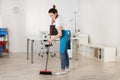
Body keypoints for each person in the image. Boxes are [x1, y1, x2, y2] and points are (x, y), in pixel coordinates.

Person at [48, 5, 71, 75]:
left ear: (55, 14)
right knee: (64, 51)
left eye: (51, 15)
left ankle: (62, 70)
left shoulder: (58, 21)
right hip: (68, 33)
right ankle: (66, 67)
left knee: (61, 52)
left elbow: (60, 34)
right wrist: (53, 20)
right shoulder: (58, 16)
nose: (51, 17)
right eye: (50, 16)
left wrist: (51, 39)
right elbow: (56, 16)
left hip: (64, 34)